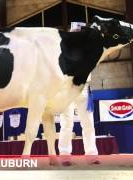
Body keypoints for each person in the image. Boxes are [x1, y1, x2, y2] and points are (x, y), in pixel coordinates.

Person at [58, 23, 99, 166]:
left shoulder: (89, 49)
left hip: (84, 88)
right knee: (66, 123)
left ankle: (92, 155)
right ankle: (64, 156)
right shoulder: (64, 48)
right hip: (67, 88)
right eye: (75, 32)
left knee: (88, 123)